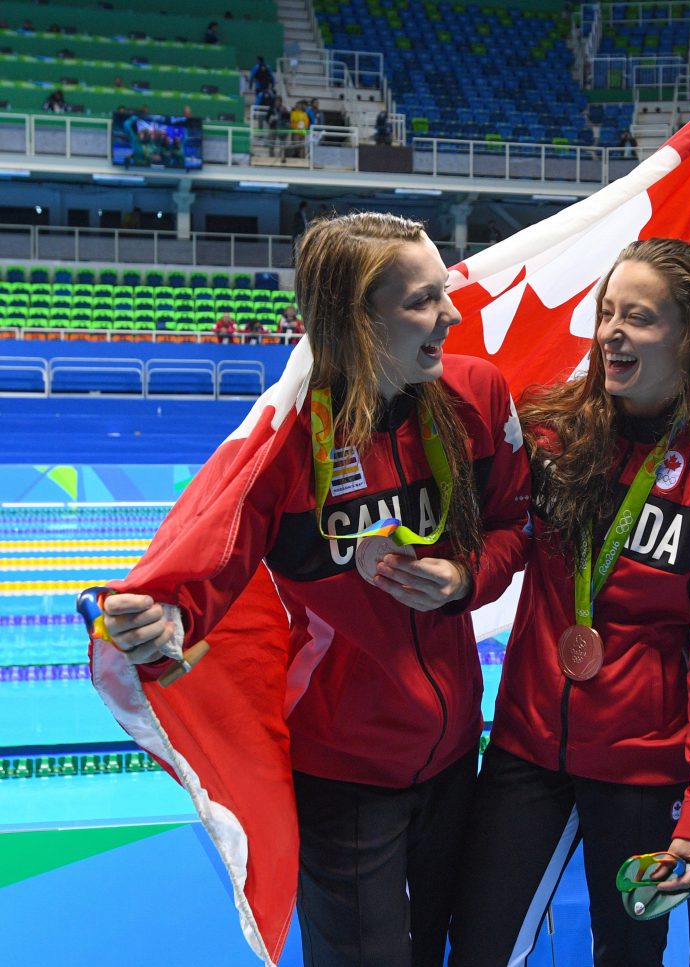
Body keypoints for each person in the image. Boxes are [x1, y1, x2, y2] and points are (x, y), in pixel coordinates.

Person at [96, 212, 531, 966]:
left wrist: (465, 578)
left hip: (459, 754)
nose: (452, 314)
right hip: (343, 774)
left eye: (445, 290)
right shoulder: (291, 441)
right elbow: (209, 568)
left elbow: (516, 525)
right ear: (357, 322)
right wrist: (159, 620)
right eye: (423, 300)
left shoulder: (476, 397)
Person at [448, 239, 690, 966]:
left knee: (629, 955)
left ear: (689, 339)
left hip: (641, 771)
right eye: (607, 312)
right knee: (478, 947)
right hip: (527, 747)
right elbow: (500, 536)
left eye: (640, 318)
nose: (611, 332)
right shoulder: (551, 429)